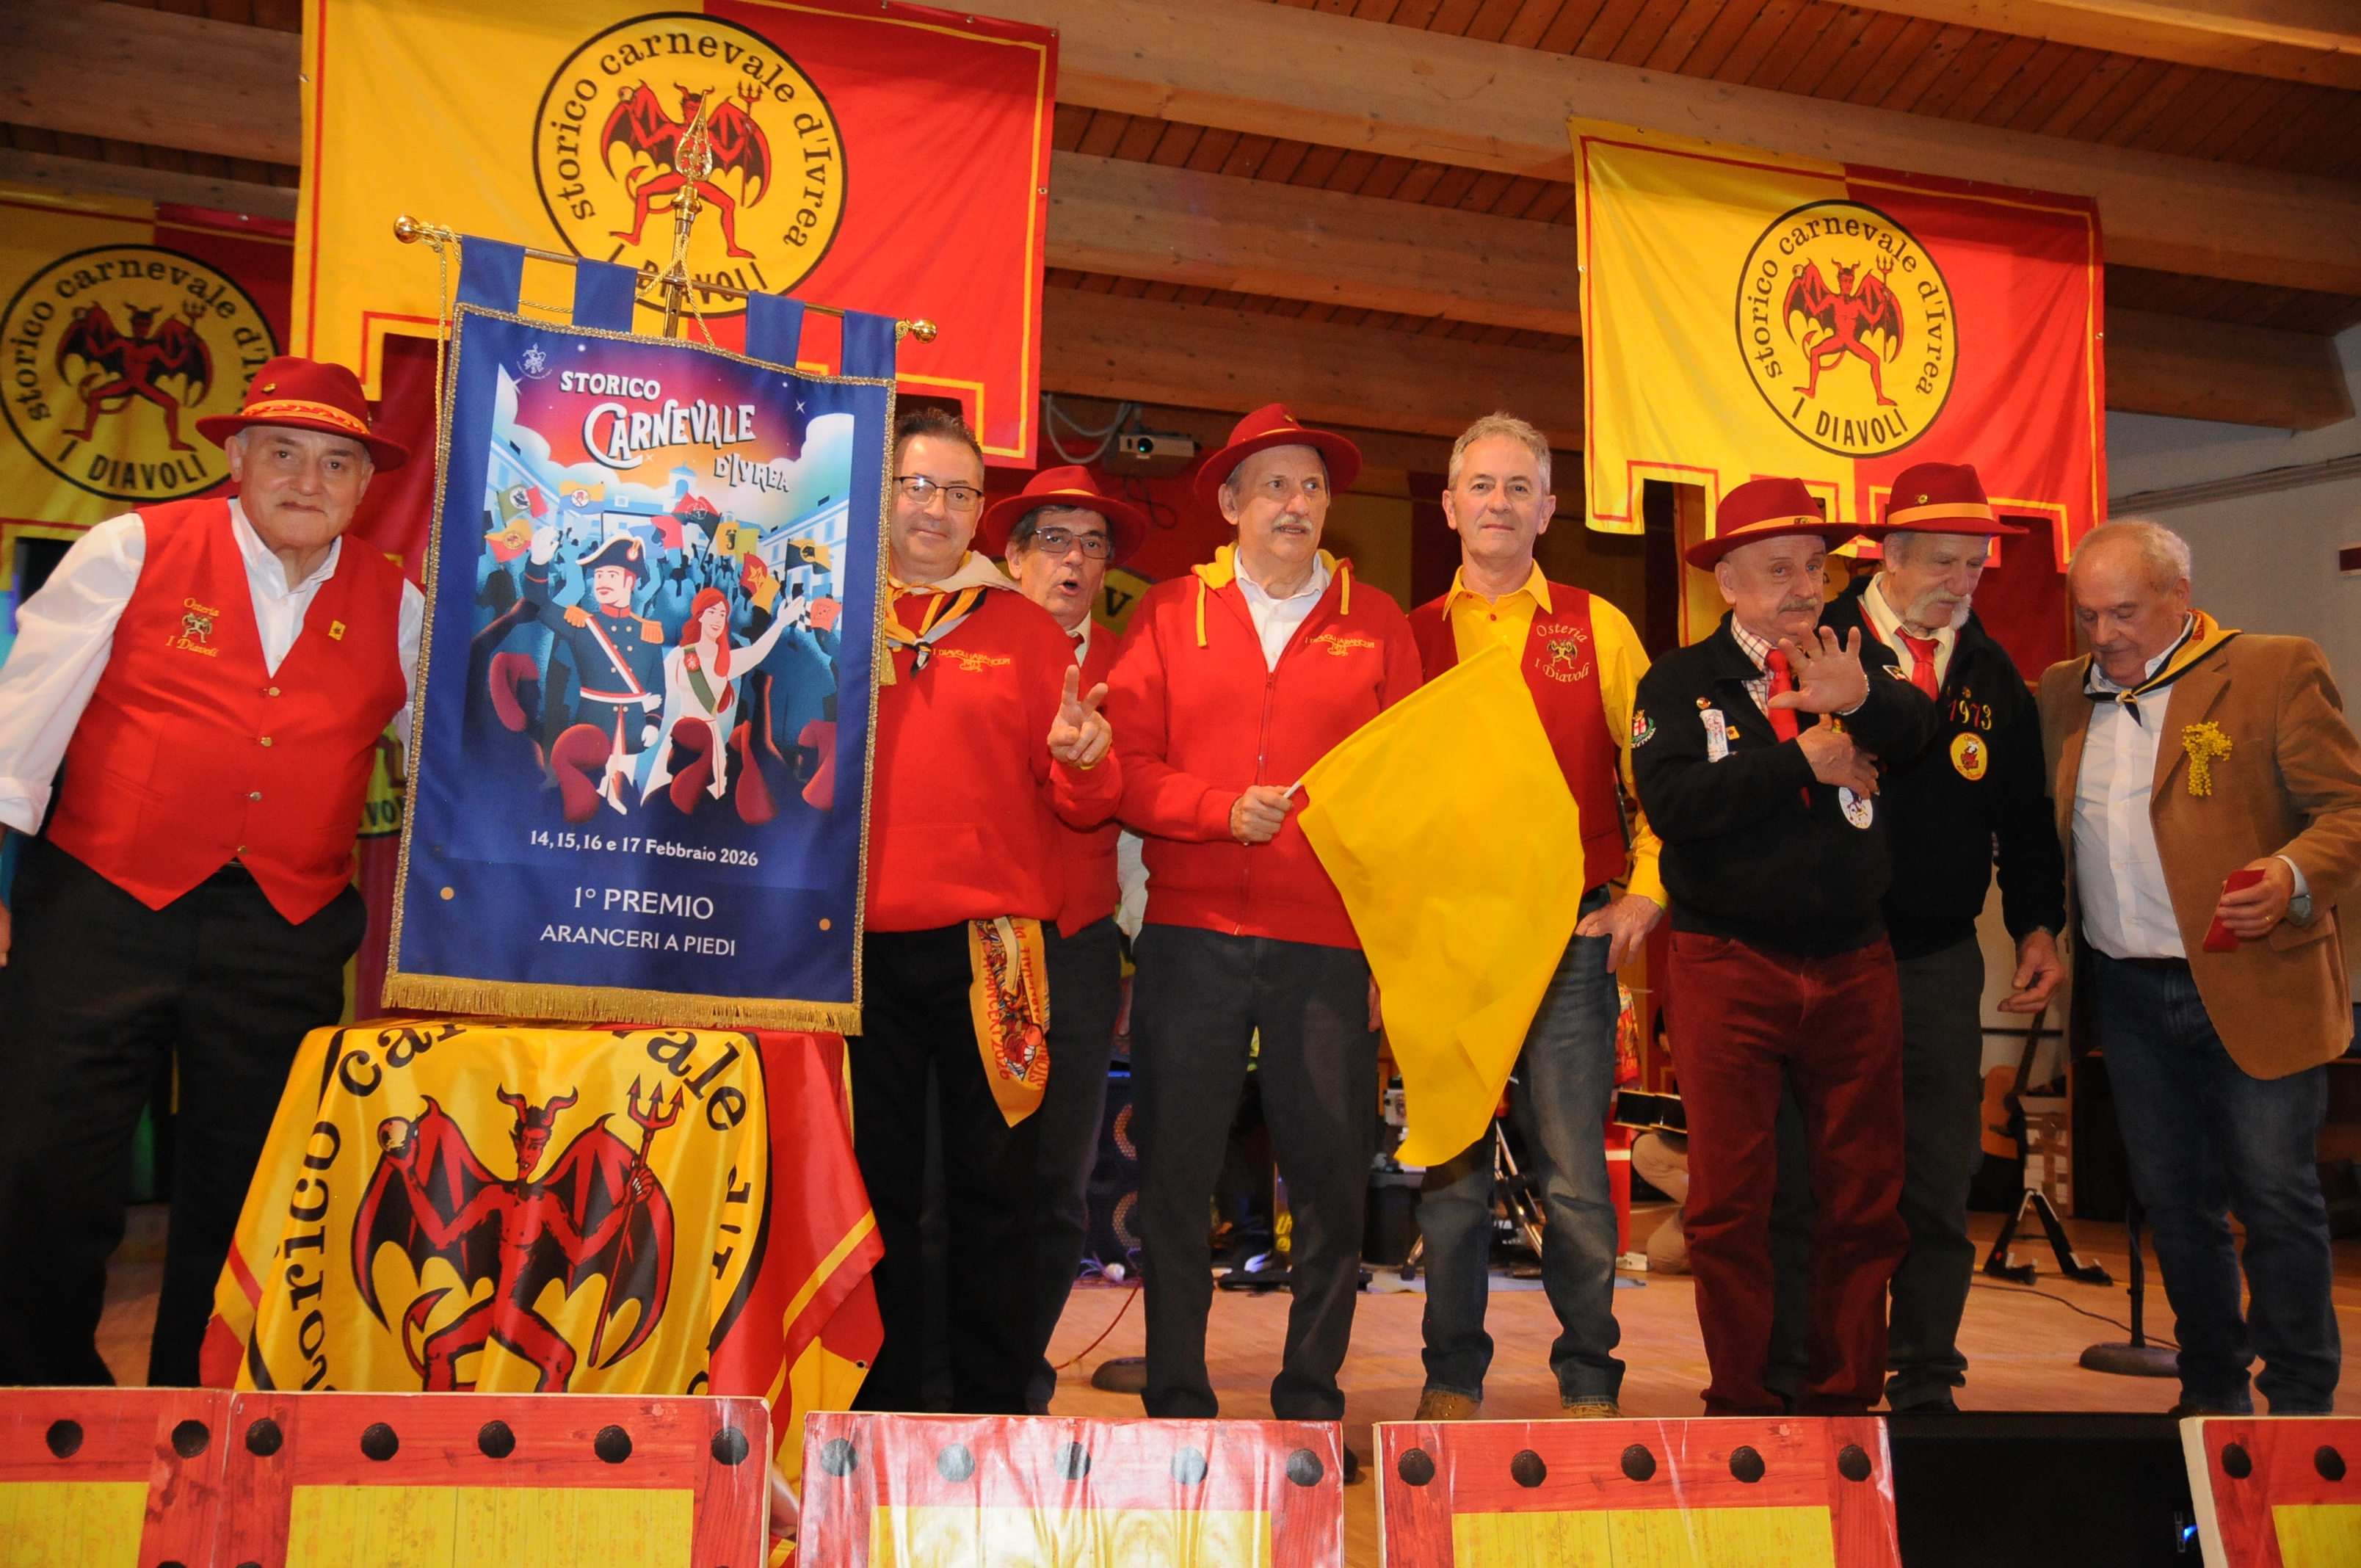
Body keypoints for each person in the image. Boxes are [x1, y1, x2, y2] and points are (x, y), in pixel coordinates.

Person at [0, 356, 420, 1386]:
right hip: (101, 906)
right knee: (44, 1163)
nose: (308, 480)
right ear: (236, 460)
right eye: (283, 452)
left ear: (366, 487)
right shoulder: (130, 550)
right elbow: (18, 733)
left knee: (250, 1190)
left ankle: (200, 1413)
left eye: (336, 462)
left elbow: (460, 773)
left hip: (284, 932)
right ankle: (41, 1399)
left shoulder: (401, 604)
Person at [1106, 404, 1421, 1448]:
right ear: (1232, 505)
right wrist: (1215, 811)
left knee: (1331, 1181)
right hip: (1191, 934)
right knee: (1175, 1177)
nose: (1297, 503)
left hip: (1330, 947)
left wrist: (1390, 948)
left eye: (1313, 486)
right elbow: (1126, 769)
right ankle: (1177, 1406)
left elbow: (1410, 797)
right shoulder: (1167, 614)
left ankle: (1312, 1408)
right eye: (1275, 485)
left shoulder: (1379, 622)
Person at [2038, 518, 2361, 1416]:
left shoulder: (2272, 669)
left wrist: (2291, 875)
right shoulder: (2063, 693)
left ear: (2180, 596)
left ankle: (2300, 1402)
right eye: (2088, 615)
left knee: (2275, 1198)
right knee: (2175, 1203)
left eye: (2125, 613)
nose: (2105, 635)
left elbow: (2348, 810)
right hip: (2129, 993)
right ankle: (2211, 1393)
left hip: (2258, 979)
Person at [1628, 476, 1934, 1415]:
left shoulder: (1856, 656)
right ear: (1727, 581)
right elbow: (1674, 803)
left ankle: (1845, 1398)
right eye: (1779, 569)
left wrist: (1861, 701)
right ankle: (1744, 1398)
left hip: (1854, 961)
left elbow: (1920, 733)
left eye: (1815, 566)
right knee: (1730, 1200)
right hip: (1727, 962)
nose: (1805, 586)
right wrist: (1798, 758)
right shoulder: (1679, 681)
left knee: (1864, 1195)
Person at [852, 408, 1121, 1415]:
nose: (935, 509)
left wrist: (1085, 761)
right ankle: (881, 1412)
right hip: (851, 954)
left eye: (959, 493)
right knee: (877, 1195)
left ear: (980, 515)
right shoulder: (824, 612)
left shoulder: (1024, 632)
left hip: (993, 952)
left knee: (998, 1192)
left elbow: (1083, 800)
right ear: (883, 492)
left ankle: (992, 1411)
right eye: (918, 486)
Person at [1400, 412, 1664, 1420]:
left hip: (1570, 937)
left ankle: (1590, 1376)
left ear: (1550, 510)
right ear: (1450, 505)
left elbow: (1660, 781)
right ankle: (1450, 1377)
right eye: (1482, 485)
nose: (1499, 503)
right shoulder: (1408, 637)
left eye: (1520, 487)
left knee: (1576, 1178)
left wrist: (1648, 888)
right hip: (1451, 944)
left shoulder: (1601, 629)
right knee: (1452, 1177)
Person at [1811, 461, 2067, 1412]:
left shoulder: (1993, 674)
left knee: (1936, 1173)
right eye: (1944, 562)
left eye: (1976, 565)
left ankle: (1925, 1373)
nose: (1962, 582)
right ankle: (1821, 1371)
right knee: (1826, 1175)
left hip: (1938, 958)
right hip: (1819, 954)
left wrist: (2039, 925)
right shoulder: (1818, 641)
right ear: (1889, 554)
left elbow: (2026, 821)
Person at [979, 465, 1151, 1412]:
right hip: (972, 941)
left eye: (1093, 545)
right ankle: (943, 1373)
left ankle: (1019, 1378)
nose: (1074, 561)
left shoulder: (1134, 667)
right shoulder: (963, 643)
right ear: (1012, 557)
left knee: (1059, 1182)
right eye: (1053, 541)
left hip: (1081, 943)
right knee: (963, 1171)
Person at [522, 531, 666, 820]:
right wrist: (538, 563)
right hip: (593, 724)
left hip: (632, 726)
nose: (602, 582)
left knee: (625, 797)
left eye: (611, 575)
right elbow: (539, 602)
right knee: (587, 798)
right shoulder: (582, 624)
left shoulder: (648, 632)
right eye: (599, 575)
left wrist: (653, 721)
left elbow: (656, 685)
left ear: (630, 581)